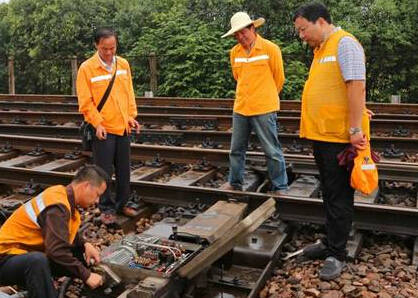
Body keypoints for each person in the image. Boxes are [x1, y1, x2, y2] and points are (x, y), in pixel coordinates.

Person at [293, 2, 370, 280]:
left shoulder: (344, 43)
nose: (302, 36)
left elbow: (356, 84)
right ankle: (329, 242)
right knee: (328, 192)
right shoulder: (321, 49)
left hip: (339, 137)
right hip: (321, 135)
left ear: (321, 21)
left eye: (303, 29)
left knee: (338, 197)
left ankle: (337, 253)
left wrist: (354, 126)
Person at [0, 165, 109, 298]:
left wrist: (85, 244)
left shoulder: (63, 196)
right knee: (37, 261)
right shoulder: (57, 205)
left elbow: (61, 233)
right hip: (4, 258)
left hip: (21, 254)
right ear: (86, 186)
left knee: (81, 255)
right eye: (97, 195)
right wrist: (87, 276)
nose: (97, 201)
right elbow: (56, 250)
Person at [77, 27, 140, 223]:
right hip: (102, 129)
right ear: (96, 46)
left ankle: (122, 204)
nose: (110, 52)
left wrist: (131, 116)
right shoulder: (86, 68)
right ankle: (106, 208)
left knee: (124, 170)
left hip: (122, 126)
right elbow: (86, 103)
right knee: (103, 171)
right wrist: (97, 124)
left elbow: (129, 93)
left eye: (113, 47)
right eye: (105, 48)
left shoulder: (123, 64)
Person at [221, 12, 288, 193]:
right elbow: (238, 77)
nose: (241, 37)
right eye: (237, 34)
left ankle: (280, 186)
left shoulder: (270, 49)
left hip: (264, 108)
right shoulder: (234, 52)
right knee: (236, 149)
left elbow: (279, 79)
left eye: (244, 32)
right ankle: (235, 183)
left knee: (271, 150)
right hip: (241, 107)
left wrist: (264, 96)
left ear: (253, 28)